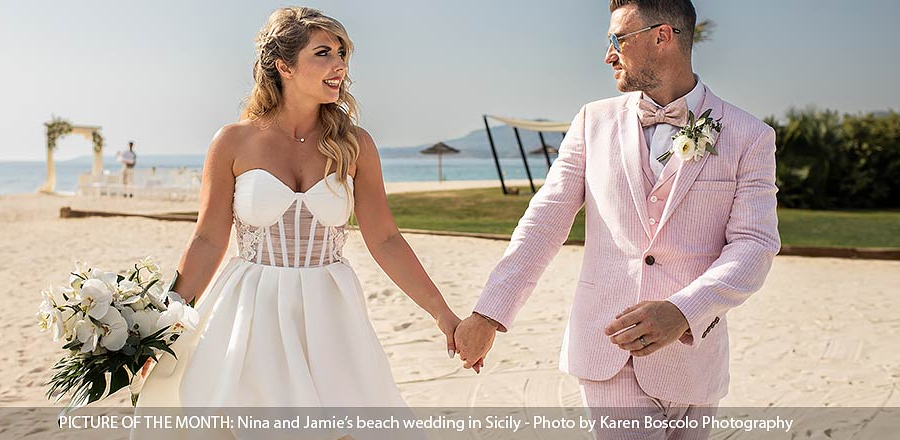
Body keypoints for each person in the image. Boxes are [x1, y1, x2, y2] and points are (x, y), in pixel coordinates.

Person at [454, 0, 781, 438]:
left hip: (695, 358)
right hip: (609, 350)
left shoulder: (749, 135)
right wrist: (488, 314)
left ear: (662, 36)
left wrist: (684, 312)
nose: (608, 54)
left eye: (617, 39)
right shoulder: (592, 121)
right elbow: (544, 221)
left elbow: (755, 245)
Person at [132, 7, 459, 439]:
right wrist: (164, 321)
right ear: (283, 65)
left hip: (332, 312)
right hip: (251, 310)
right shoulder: (233, 141)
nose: (339, 64)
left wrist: (443, 314)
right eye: (323, 53)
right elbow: (209, 239)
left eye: (342, 52)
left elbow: (385, 238)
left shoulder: (355, 144)